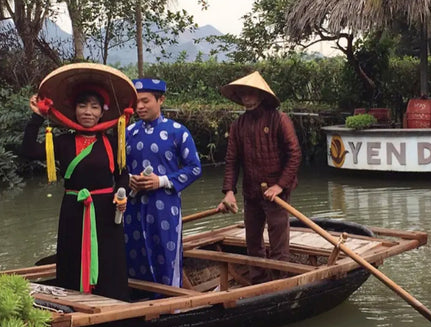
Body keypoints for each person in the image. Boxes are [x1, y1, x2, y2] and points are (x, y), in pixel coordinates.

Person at [21, 63, 136, 301]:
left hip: (106, 211)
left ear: (102, 112)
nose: (88, 112)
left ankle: (113, 306)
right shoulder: (62, 142)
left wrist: (122, 192)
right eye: (82, 106)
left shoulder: (113, 142)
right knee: (72, 256)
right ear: (74, 109)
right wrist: (37, 117)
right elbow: (28, 150)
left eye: (94, 107)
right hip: (74, 210)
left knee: (108, 261)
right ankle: (74, 305)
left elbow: (123, 174)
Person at [216, 71, 302, 284]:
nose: (246, 99)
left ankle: (280, 282)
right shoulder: (238, 125)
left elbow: (294, 154)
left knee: (278, 240)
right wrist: (229, 191)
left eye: (251, 94)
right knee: (253, 240)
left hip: (276, 193)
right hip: (252, 190)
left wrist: (280, 185)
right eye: (243, 95)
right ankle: (257, 282)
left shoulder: (279, 119)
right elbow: (232, 160)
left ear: (261, 96)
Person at [124, 78, 202, 288]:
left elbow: (194, 167)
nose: (139, 107)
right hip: (132, 206)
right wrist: (129, 179)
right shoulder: (128, 133)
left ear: (161, 100)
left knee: (165, 254)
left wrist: (162, 180)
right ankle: (139, 300)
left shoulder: (177, 131)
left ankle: (170, 304)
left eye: (145, 101)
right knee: (134, 250)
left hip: (164, 206)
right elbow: (117, 168)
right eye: (136, 102)